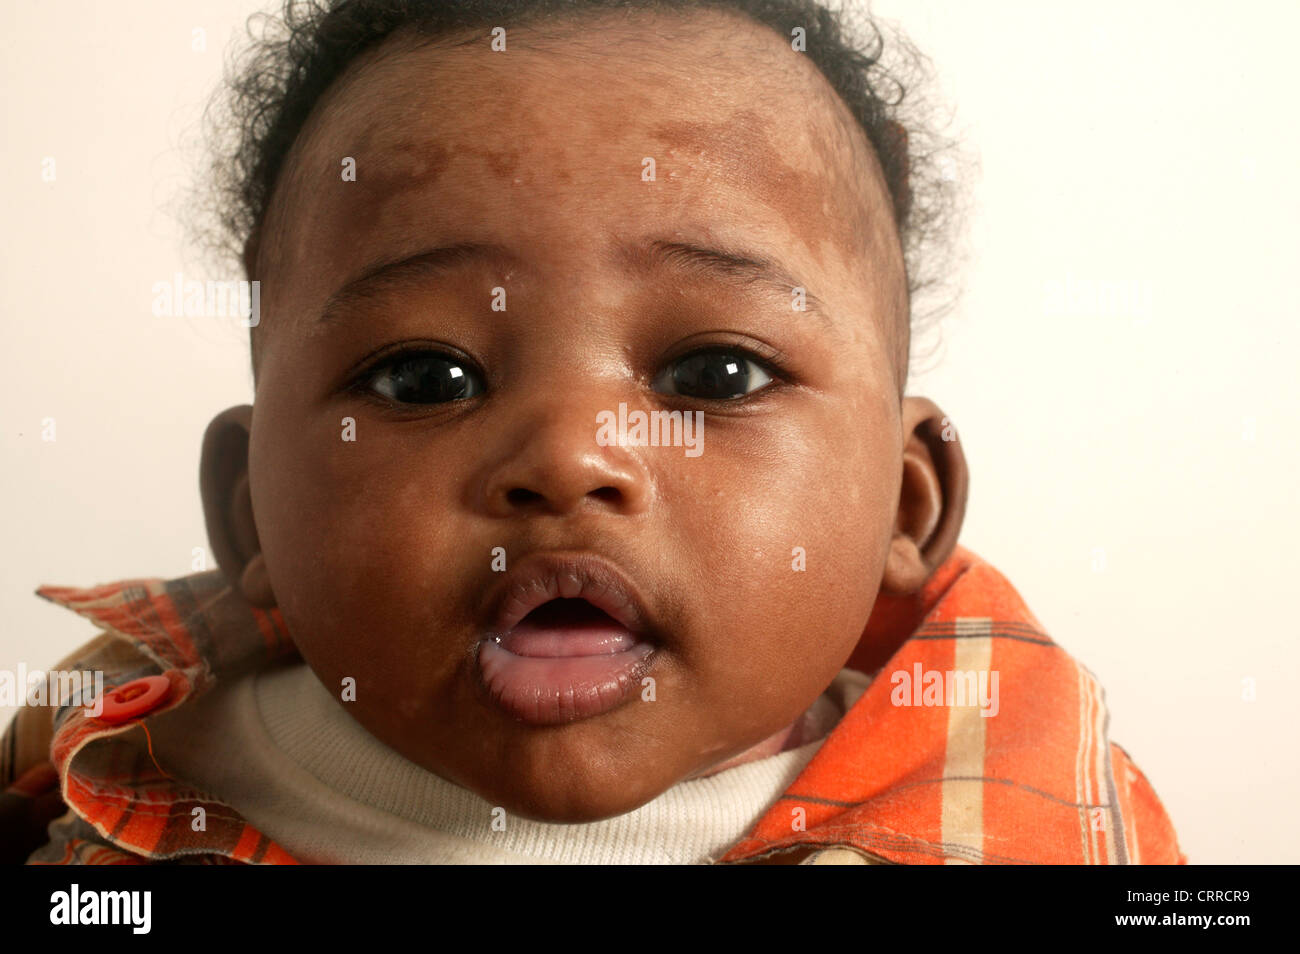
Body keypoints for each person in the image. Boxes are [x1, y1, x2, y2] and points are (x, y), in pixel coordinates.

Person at [1, 0, 1183, 864]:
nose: (569, 455)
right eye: (424, 376)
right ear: (249, 511)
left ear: (904, 504)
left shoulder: (1036, 808)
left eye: (714, 371)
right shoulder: (112, 756)